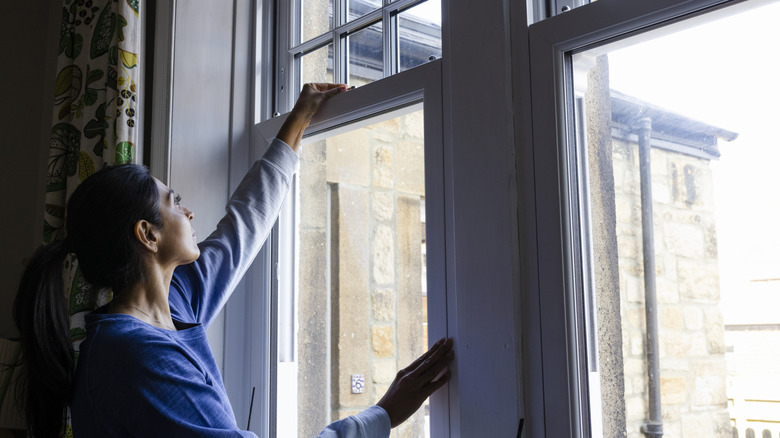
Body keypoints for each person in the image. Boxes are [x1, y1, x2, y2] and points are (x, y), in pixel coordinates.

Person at [13, 83, 454, 437]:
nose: (188, 211)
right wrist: (382, 415)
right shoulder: (134, 354)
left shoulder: (175, 301)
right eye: (175, 201)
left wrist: (296, 124)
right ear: (147, 235)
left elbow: (243, 226)